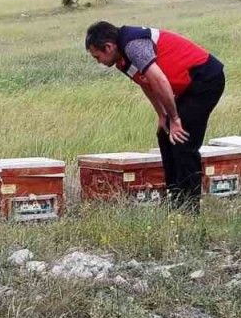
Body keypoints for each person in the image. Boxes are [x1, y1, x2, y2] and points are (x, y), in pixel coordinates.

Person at [85, 21, 225, 214]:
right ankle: (175, 199)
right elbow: (147, 84)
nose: (98, 61)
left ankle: (189, 209)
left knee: (182, 139)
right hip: (187, 86)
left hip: (205, 78)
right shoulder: (121, 60)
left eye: (97, 56)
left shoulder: (133, 46)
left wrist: (175, 119)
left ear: (108, 47)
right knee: (165, 135)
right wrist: (162, 115)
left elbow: (159, 80)